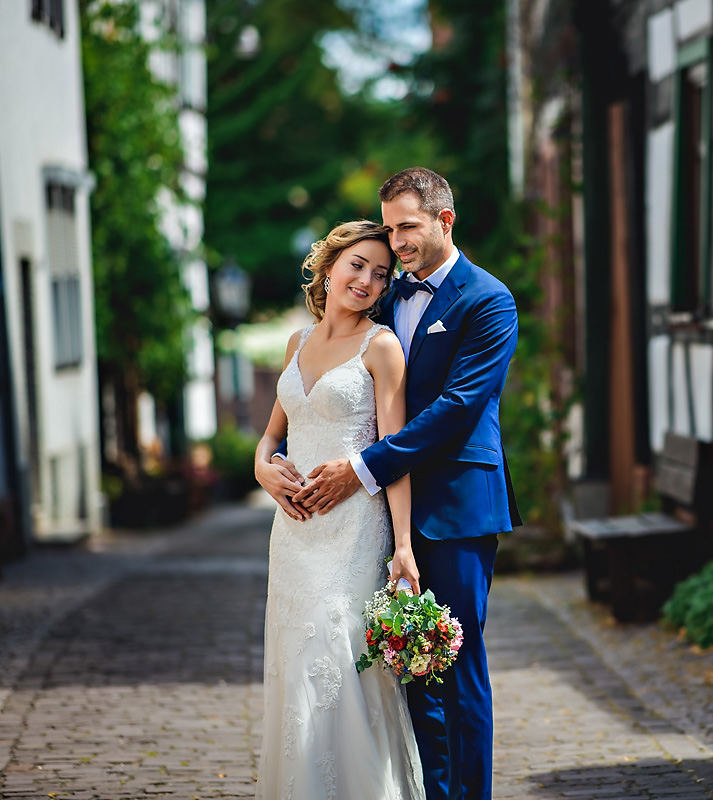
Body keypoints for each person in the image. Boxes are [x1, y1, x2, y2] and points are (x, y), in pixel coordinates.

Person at [257, 167, 520, 800]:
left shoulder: (488, 300)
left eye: (408, 227)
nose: (396, 243)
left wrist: (364, 467)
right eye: (391, 228)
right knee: (400, 678)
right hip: (371, 522)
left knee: (454, 671)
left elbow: (458, 408)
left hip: (452, 508)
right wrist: (268, 461)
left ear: (444, 221)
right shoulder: (383, 295)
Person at [252, 220, 425, 799]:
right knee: (295, 667)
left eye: (381, 275)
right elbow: (274, 433)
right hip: (295, 534)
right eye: (358, 265)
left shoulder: (381, 346)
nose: (368, 281)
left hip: (353, 530)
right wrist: (260, 466)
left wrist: (403, 547)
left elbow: (396, 453)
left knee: (341, 666)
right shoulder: (296, 343)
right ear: (329, 266)